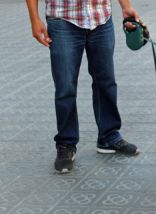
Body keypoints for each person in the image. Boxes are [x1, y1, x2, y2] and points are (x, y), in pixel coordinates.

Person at [26, 0, 141, 174]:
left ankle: (108, 136)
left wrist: (126, 6)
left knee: (106, 81)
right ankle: (66, 143)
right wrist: (34, 19)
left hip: (101, 17)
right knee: (65, 87)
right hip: (63, 19)